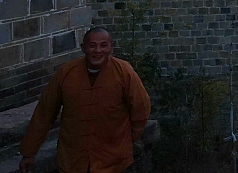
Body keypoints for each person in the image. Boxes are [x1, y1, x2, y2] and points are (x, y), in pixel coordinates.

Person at [19, 27, 151, 173]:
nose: (98, 51)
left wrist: (125, 140)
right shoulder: (66, 72)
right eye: (92, 46)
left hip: (114, 161)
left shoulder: (124, 72)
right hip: (73, 160)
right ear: (83, 48)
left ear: (111, 47)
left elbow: (141, 108)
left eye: (103, 45)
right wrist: (29, 152)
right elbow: (44, 113)